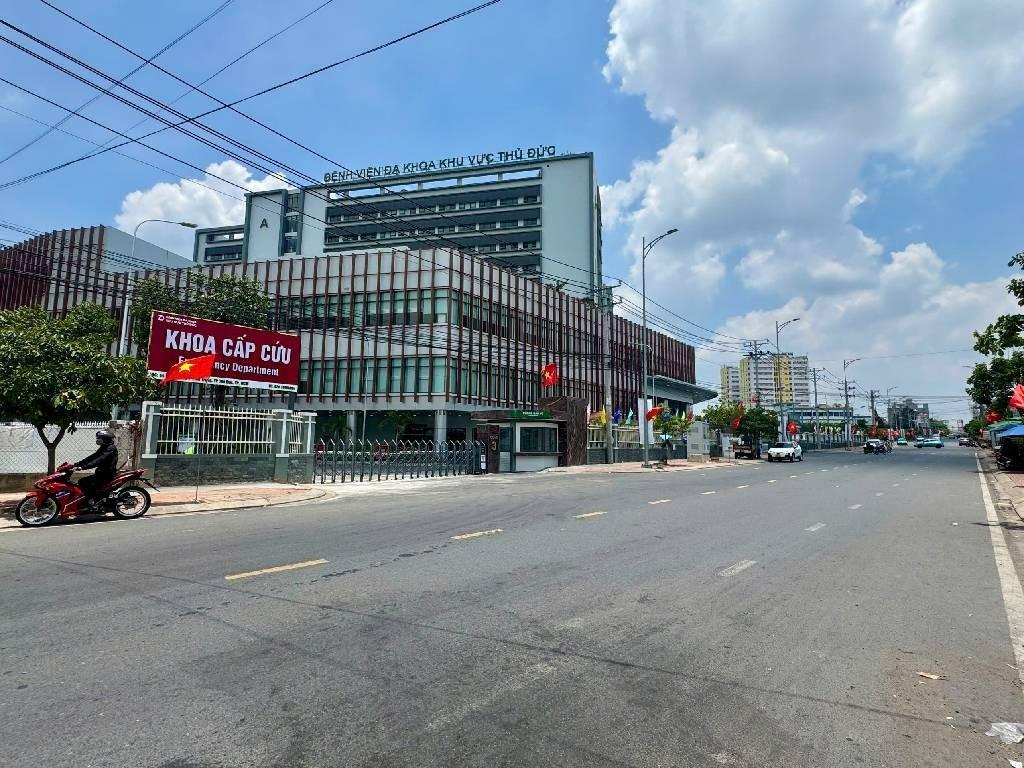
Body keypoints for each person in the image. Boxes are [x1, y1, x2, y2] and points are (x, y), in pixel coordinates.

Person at [73, 430, 119, 504]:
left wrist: (83, 467)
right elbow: (93, 457)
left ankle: (92, 502)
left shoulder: (110, 449)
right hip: (102, 473)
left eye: (99, 438)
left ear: (105, 439)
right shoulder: (104, 447)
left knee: (83, 482)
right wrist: (78, 464)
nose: (98, 440)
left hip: (107, 474)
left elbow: (98, 460)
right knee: (87, 483)